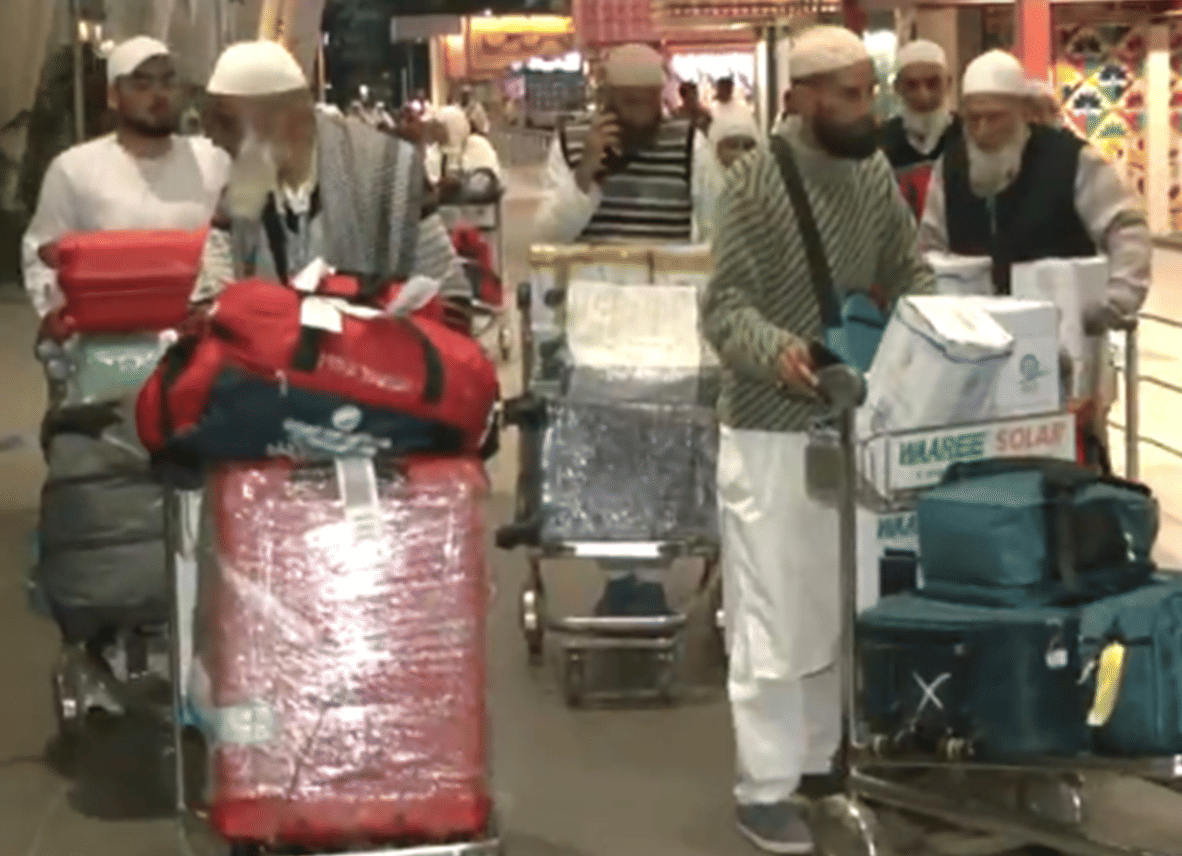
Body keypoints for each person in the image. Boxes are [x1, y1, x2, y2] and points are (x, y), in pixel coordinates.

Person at [701, 26, 935, 853]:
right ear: (799, 98)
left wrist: (941, 330)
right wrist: (780, 353)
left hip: (850, 423)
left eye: (868, 90)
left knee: (835, 604)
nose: (865, 107)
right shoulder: (754, 184)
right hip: (769, 430)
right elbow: (724, 308)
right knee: (773, 613)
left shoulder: (871, 172)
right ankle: (762, 788)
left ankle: (818, 765)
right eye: (846, 94)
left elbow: (907, 270)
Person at [919, 49, 1149, 467]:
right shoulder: (949, 169)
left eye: (995, 117)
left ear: (1023, 111)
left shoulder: (1072, 161)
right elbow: (929, 248)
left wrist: (1117, 301)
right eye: (972, 119)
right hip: (980, 356)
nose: (982, 131)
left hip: (1066, 355)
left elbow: (1126, 228)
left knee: (1072, 467)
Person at [191, 41, 472, 328]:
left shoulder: (386, 172)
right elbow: (207, 303)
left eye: (228, 123)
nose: (216, 140)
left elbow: (451, 300)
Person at [23, 36, 228, 324]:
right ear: (113, 96)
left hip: (194, 332)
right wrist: (55, 313)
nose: (158, 94)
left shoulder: (213, 162)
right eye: (142, 85)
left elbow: (235, 248)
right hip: (104, 333)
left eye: (168, 82)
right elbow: (42, 252)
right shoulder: (75, 168)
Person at [531, 42, 708, 247]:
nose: (640, 115)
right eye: (631, 102)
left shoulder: (689, 144)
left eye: (649, 102)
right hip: (590, 267)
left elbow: (712, 230)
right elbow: (548, 236)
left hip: (666, 267)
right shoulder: (571, 141)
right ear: (607, 98)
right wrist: (584, 174)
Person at [878, 39, 959, 177]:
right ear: (897, 88)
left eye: (933, 83)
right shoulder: (881, 142)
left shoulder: (965, 136)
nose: (923, 96)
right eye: (912, 85)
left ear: (948, 83)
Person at [694, 108, 759, 244]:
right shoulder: (704, 184)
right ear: (716, 148)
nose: (740, 154)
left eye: (748, 147)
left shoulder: (761, 184)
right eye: (732, 146)